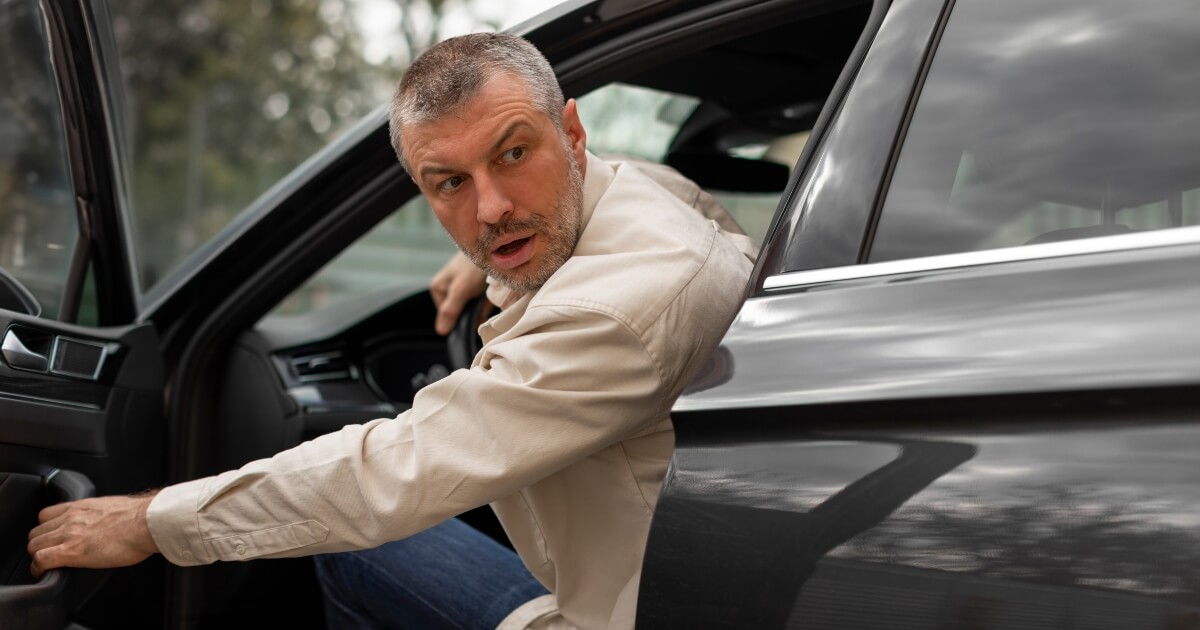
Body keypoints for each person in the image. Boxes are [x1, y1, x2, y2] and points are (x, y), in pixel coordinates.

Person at [28, 33, 756, 629]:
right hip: (670, 588)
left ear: (571, 132)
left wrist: (153, 520)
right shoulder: (649, 213)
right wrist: (506, 257)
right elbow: (667, 187)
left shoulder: (615, 314)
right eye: (450, 183)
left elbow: (393, 470)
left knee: (354, 550)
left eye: (512, 152)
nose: (492, 208)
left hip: (609, 616)